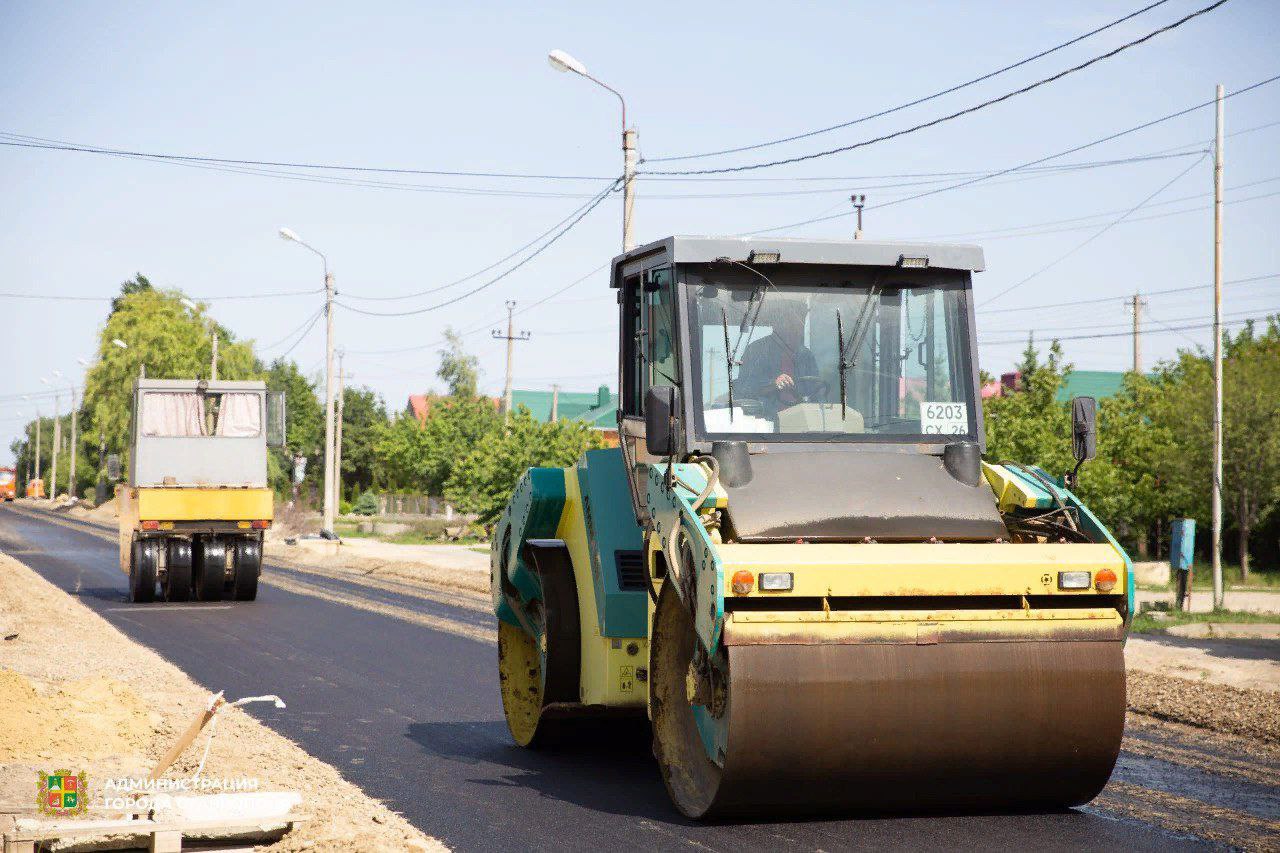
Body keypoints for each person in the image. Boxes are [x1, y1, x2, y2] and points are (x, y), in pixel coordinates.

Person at [736, 300, 819, 415]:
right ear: (776, 324)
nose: (795, 328)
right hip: (765, 423)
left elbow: (815, 393)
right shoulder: (755, 350)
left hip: (801, 422)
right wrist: (772, 384)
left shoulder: (806, 356)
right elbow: (743, 388)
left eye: (799, 324)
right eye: (790, 323)